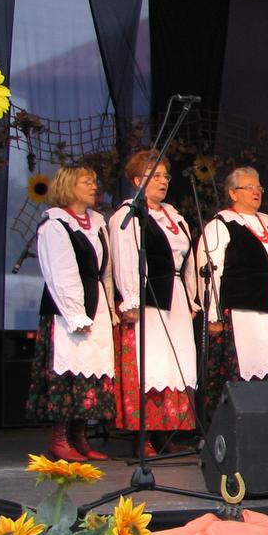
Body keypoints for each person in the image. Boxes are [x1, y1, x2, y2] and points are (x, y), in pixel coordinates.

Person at [109, 150, 198, 457]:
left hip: (175, 295)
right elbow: (125, 257)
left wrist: (191, 297)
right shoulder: (128, 215)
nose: (163, 181)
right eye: (155, 176)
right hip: (147, 296)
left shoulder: (174, 216)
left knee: (174, 362)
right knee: (152, 362)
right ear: (138, 180)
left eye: (165, 176)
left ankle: (163, 432)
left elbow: (188, 261)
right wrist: (131, 298)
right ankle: (143, 435)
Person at [25, 165, 116, 461]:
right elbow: (61, 272)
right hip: (67, 310)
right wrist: (75, 313)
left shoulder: (97, 223)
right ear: (69, 186)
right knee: (69, 371)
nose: (93, 186)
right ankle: (60, 438)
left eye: (94, 181)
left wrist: (109, 308)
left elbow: (105, 270)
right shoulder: (56, 224)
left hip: (96, 303)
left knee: (91, 369)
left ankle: (80, 436)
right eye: (86, 181)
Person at [198, 167, 268, 404]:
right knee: (246, 365)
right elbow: (211, 269)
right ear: (233, 193)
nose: (256, 191)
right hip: (241, 308)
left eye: (258, 187)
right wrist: (213, 314)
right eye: (249, 187)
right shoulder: (221, 224)